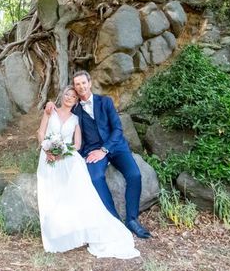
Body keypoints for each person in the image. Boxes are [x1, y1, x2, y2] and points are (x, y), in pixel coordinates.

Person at [37, 86, 140, 259]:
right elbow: (40, 132)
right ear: (61, 96)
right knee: (53, 191)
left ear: (76, 101)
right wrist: (47, 149)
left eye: (73, 96)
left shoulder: (77, 117)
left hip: (68, 154)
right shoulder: (50, 111)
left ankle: (119, 221)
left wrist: (62, 152)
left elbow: (77, 145)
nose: (69, 97)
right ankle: (57, 230)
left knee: (81, 177)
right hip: (47, 155)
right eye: (67, 94)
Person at [46, 71, 152, 239]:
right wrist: (51, 105)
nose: (81, 87)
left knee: (134, 174)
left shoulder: (106, 102)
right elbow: (61, 114)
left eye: (83, 83)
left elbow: (117, 129)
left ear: (89, 83)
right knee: (95, 179)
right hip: (91, 151)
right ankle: (115, 222)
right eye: (77, 84)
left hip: (116, 147)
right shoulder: (75, 110)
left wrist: (104, 150)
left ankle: (132, 220)